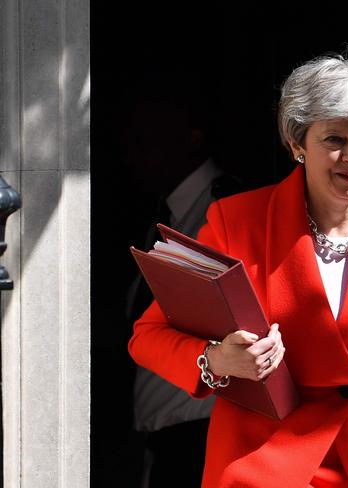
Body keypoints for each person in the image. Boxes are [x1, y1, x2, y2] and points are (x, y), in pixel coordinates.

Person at [128, 45, 348, 487]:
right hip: (264, 465)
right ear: (297, 143)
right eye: (334, 140)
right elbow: (147, 337)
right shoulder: (237, 220)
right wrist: (218, 360)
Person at [124, 89, 246, 487]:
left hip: (202, 432)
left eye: (150, 133)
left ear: (192, 136)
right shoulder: (163, 218)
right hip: (163, 438)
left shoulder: (226, 208)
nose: (137, 148)